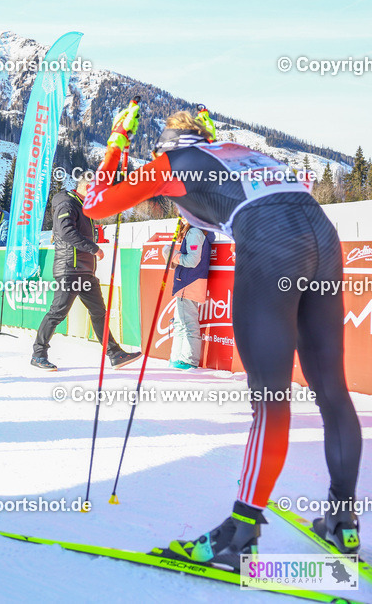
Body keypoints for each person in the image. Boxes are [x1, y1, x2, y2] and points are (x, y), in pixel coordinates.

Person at [83, 103, 362, 563]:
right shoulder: (238, 152)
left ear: (167, 144)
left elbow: (95, 203)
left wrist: (115, 143)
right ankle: (342, 522)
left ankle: (239, 537)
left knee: (270, 397)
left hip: (272, 241)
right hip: (322, 235)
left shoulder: (169, 162)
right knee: (331, 389)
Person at [30, 177, 140, 372]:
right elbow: (66, 232)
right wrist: (94, 248)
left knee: (99, 312)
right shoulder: (67, 203)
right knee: (58, 312)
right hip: (70, 270)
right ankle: (39, 354)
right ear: (88, 188)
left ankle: (115, 354)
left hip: (85, 271)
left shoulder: (83, 206)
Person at [162, 222, 214, 370]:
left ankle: (189, 360)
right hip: (186, 282)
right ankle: (177, 357)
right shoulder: (194, 232)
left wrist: (174, 255)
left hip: (189, 282)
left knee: (187, 323)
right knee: (180, 322)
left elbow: (192, 260)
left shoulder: (195, 232)